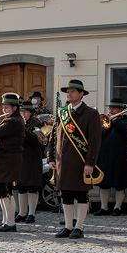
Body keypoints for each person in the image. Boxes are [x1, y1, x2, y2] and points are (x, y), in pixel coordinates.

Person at [51, 80, 101, 239]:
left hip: (80, 162)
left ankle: (79, 227)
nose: (69, 94)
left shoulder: (91, 114)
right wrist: (51, 157)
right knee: (65, 194)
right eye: (68, 92)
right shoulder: (62, 113)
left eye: (72, 91)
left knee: (80, 195)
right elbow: (53, 137)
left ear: (81, 94)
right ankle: (68, 226)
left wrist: (90, 162)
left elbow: (94, 141)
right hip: (62, 162)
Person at [0, 93, 25, 232]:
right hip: (1, 160)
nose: (4, 110)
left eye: (7, 107)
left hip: (6, 160)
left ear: (14, 108)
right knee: (1, 191)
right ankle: (5, 220)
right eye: (3, 108)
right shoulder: (9, 120)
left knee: (6, 191)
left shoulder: (14, 121)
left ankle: (10, 222)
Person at [95, 98, 127, 216]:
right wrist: (107, 122)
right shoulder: (105, 120)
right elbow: (101, 134)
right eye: (110, 108)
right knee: (104, 183)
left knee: (120, 183)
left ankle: (117, 207)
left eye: (113, 108)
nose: (110, 110)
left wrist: (115, 121)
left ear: (120, 110)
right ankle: (104, 207)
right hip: (105, 155)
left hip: (120, 156)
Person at [16, 99, 46, 223]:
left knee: (32, 187)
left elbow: (36, 139)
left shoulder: (37, 124)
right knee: (21, 187)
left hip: (33, 159)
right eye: (21, 112)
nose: (23, 114)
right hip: (21, 159)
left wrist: (23, 129)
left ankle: (31, 213)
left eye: (25, 112)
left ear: (31, 113)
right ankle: (22, 213)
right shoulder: (18, 123)